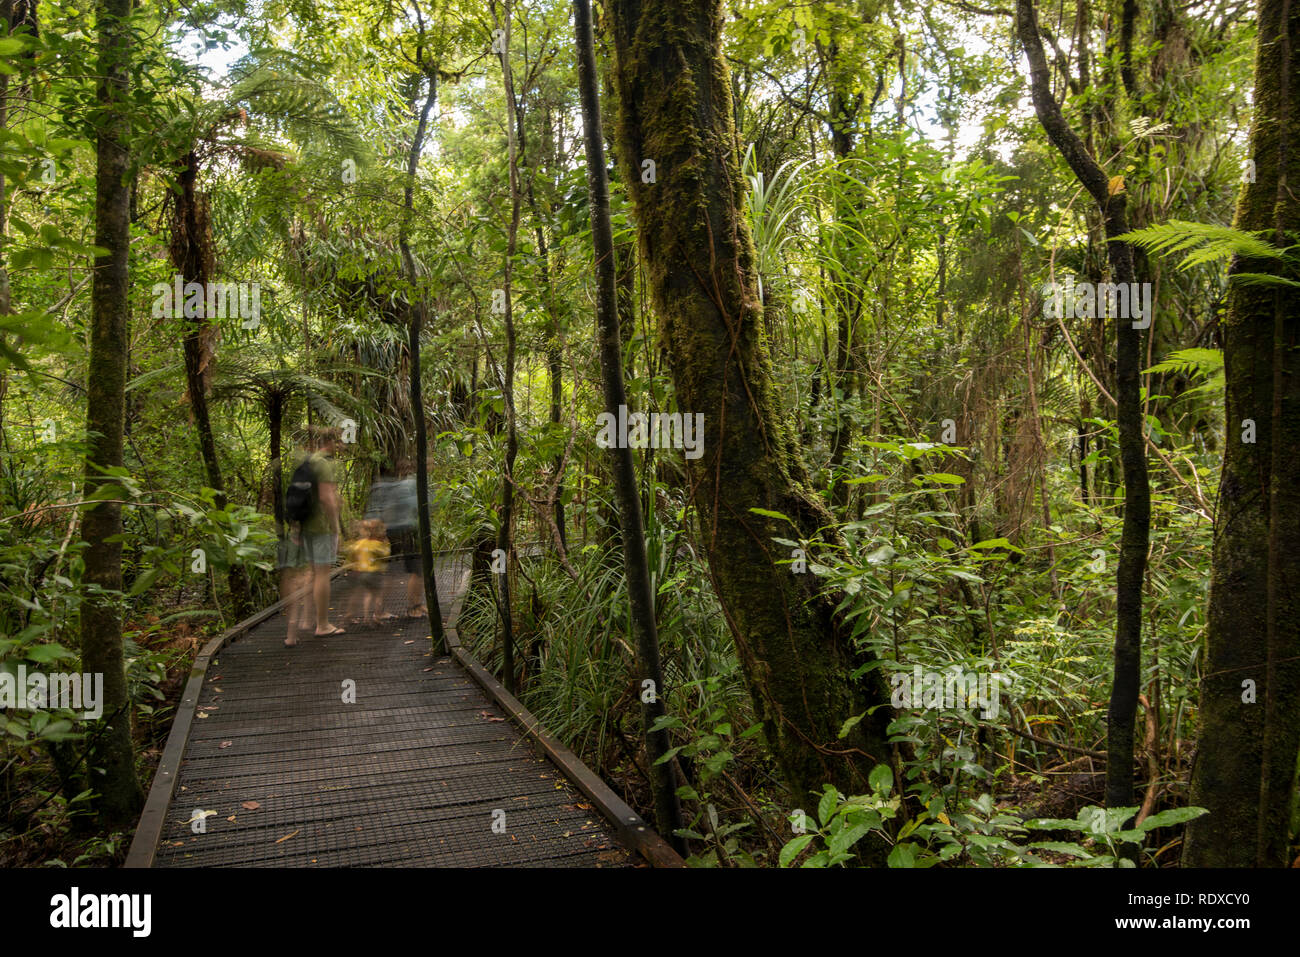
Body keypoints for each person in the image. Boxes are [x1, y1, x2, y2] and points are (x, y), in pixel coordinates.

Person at [292, 425, 345, 640]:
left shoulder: (307, 461)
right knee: (322, 573)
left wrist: (296, 527)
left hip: (305, 524)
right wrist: (336, 527)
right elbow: (327, 498)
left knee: (312, 571)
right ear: (331, 442)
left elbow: (297, 495)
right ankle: (322, 624)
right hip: (321, 526)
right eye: (339, 442)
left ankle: (306, 619)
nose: (341, 446)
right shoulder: (324, 464)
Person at [385, 459, 425, 618]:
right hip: (408, 531)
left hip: (395, 531)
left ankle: (415, 605)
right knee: (416, 571)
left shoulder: (395, 487)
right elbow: (417, 505)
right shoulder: (410, 484)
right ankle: (413, 607)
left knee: (395, 572)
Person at [344, 518, 391, 624]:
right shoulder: (377, 544)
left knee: (368, 594)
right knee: (378, 595)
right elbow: (385, 554)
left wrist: (353, 563)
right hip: (374, 573)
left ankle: (366, 617)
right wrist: (387, 544)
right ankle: (377, 616)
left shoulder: (360, 543)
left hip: (362, 573)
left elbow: (351, 551)